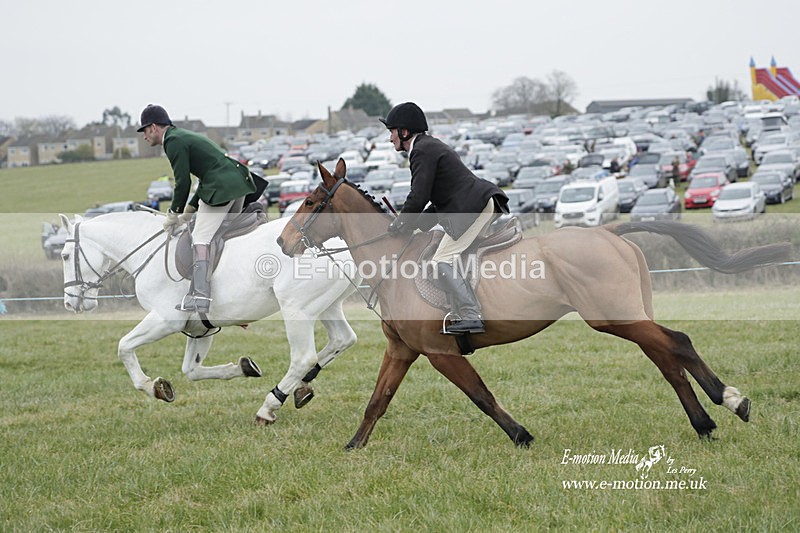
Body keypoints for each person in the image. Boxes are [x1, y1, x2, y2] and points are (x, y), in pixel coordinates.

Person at [381, 102, 509, 335]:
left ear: (404, 132)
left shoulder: (420, 151)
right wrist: (416, 224)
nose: (390, 138)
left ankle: (472, 315)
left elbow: (418, 197)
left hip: (473, 207)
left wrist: (401, 223)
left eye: (391, 131)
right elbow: (436, 201)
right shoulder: (428, 146)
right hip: (473, 203)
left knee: (441, 260)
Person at [138, 104, 256, 313]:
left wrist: (173, 214)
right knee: (222, 236)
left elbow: (182, 182)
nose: (145, 137)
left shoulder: (172, 141)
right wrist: (189, 211)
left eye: (145, 131)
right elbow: (206, 174)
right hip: (236, 182)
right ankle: (235, 291)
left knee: (200, 238)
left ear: (154, 127)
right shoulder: (182, 136)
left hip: (221, 187)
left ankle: (201, 296)